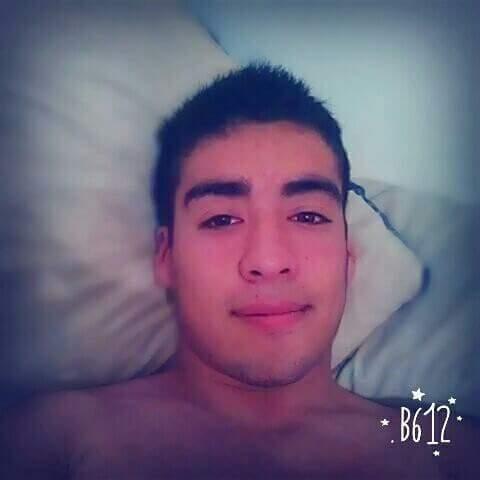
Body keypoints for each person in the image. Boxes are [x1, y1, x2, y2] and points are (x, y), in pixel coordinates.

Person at [0, 63, 477, 480]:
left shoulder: (439, 445)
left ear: (348, 258)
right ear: (166, 258)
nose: (268, 261)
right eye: (221, 220)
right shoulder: (56, 438)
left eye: (308, 215)